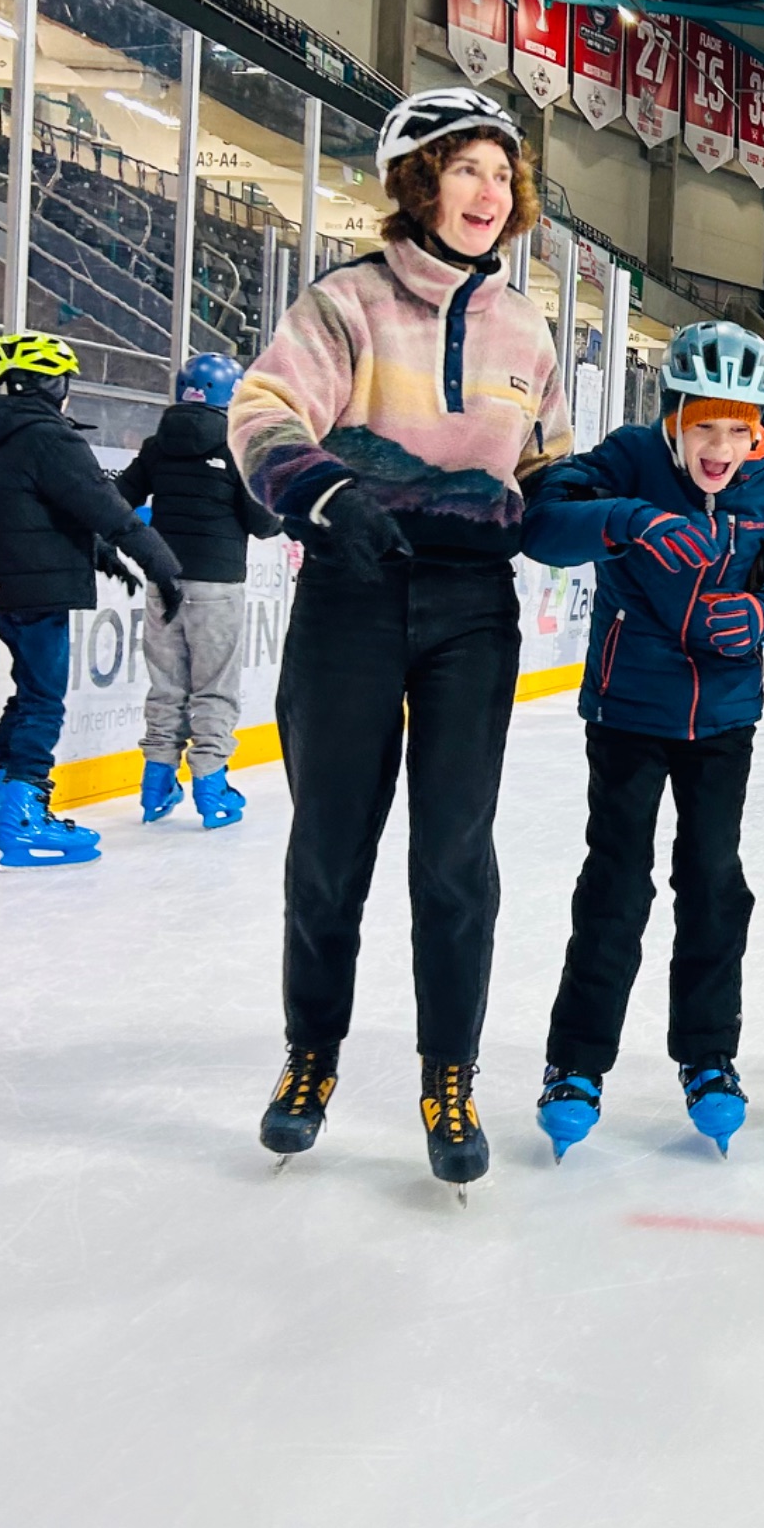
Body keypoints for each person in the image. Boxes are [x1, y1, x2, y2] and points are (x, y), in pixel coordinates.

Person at [231, 86, 570, 1189]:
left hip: (472, 609)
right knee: (331, 848)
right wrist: (326, 492)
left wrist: (618, 518)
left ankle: (449, 1073)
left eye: (502, 173)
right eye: (466, 166)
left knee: (456, 857)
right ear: (419, 180)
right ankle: (310, 1056)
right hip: (353, 596)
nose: (489, 190)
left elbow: (548, 471)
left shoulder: (526, 328)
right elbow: (263, 411)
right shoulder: (348, 302)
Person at [521, 322, 764, 1160]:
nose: (719, 448)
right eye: (702, 426)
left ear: (759, 431)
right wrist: (629, 520)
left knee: (714, 882)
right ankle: (576, 1062)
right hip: (628, 710)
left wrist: (763, 612)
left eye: (738, 430)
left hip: (722, 719)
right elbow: (542, 524)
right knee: (616, 884)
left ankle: (709, 1053)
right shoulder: (629, 458)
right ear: (674, 418)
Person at [0, 331, 183, 868]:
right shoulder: (49, 438)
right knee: (43, 702)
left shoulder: (6, 439)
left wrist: (102, 557)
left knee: (28, 694)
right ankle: (23, 818)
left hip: (7, 588)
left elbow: (39, 511)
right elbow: (107, 507)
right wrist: (160, 564)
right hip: (38, 592)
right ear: (53, 384)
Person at [115, 352, 283, 828]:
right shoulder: (239, 446)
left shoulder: (157, 445)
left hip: (163, 582)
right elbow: (264, 524)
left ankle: (155, 785)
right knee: (214, 687)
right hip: (217, 585)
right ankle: (211, 787)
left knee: (166, 685)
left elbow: (119, 499)